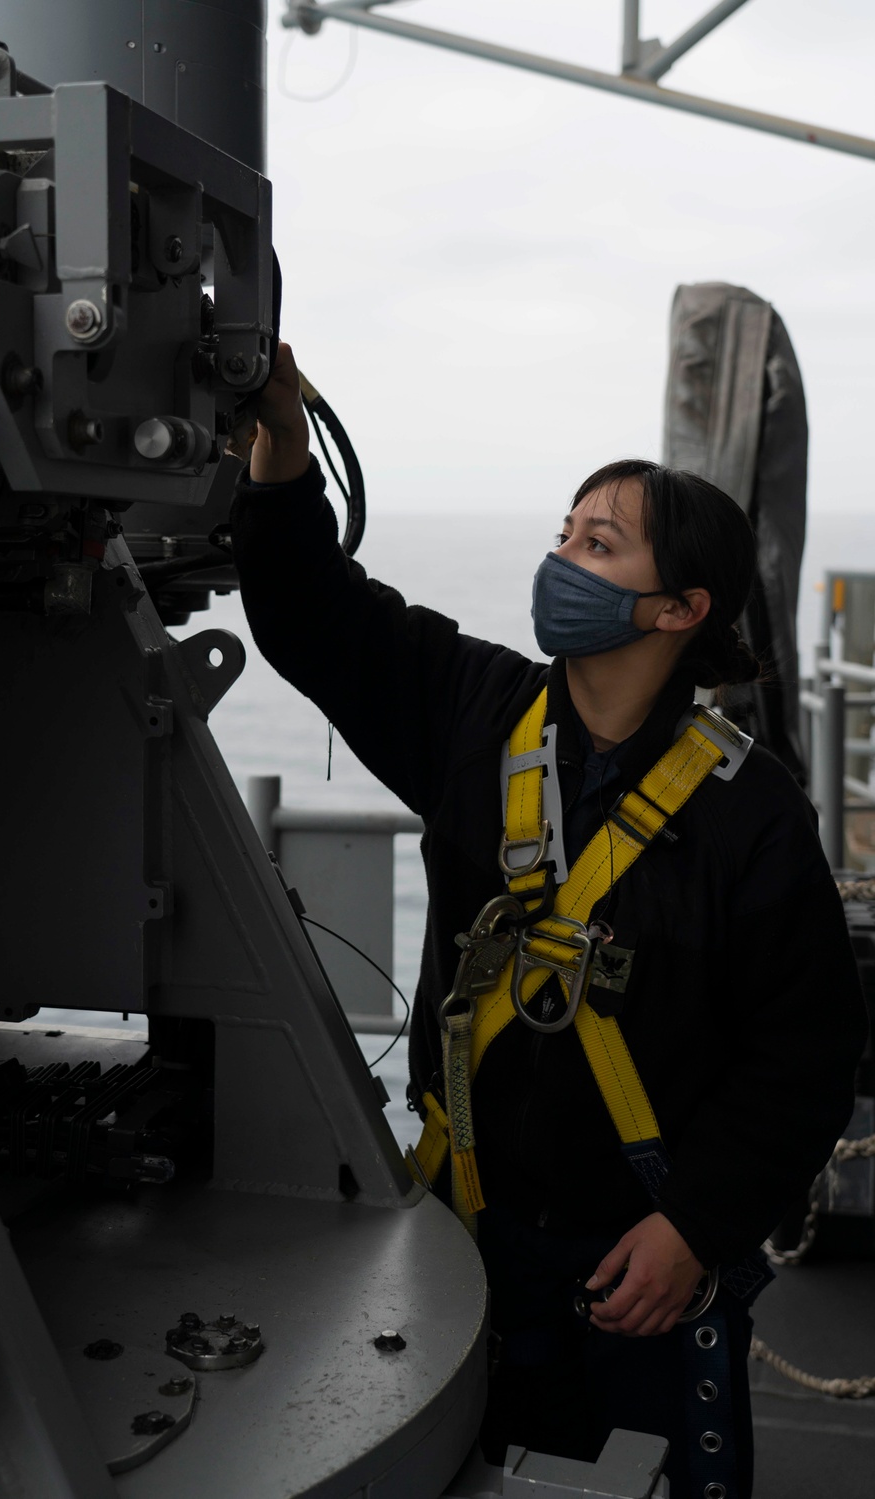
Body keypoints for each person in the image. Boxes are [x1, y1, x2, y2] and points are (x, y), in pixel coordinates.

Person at [230, 342, 867, 1499]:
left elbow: (805, 1053)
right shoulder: (474, 708)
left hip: (644, 1266)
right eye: (564, 533)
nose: (560, 560)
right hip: (461, 1237)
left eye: (598, 544)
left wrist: (696, 1227)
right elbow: (312, 615)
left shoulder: (750, 811)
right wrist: (277, 442)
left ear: (678, 609)